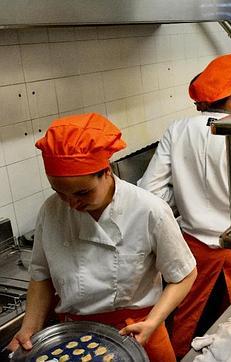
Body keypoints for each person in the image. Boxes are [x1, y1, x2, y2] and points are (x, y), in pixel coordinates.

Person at [7, 113, 197, 361]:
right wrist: (29, 328)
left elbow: (184, 275)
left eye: (83, 193)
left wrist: (153, 321)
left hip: (137, 332)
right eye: (60, 192)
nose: (72, 203)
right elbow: (41, 275)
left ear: (106, 171)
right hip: (73, 337)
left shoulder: (148, 210)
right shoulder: (51, 210)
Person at [138, 54, 231, 358]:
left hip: (191, 255)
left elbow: (149, 192)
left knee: (189, 335)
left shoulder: (177, 130)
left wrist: (186, 204)